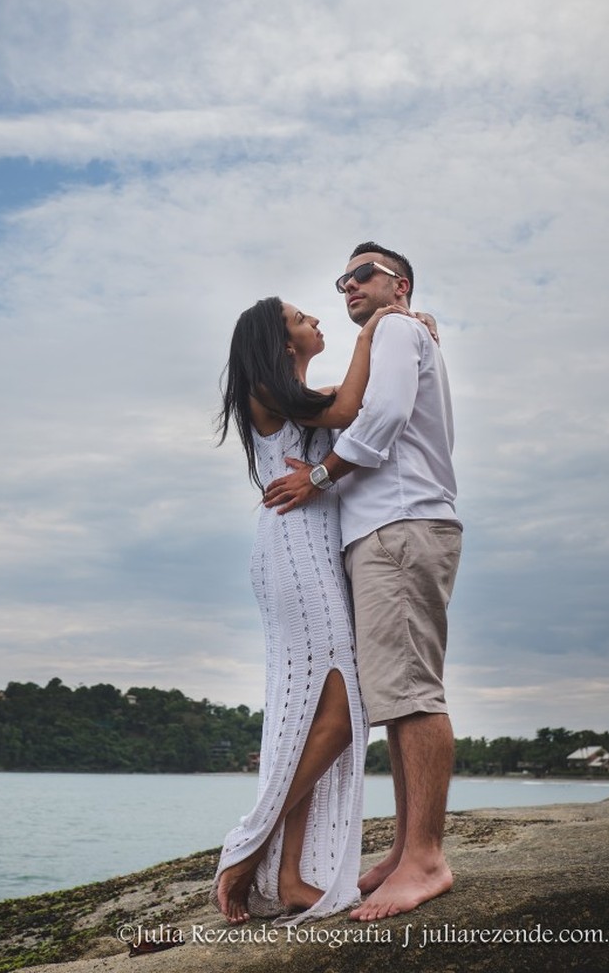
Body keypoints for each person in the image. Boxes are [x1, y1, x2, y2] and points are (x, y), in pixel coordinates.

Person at [264, 244, 462, 921]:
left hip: (400, 524)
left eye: (363, 274)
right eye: (341, 279)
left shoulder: (400, 330)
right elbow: (348, 405)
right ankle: (409, 847)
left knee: (410, 694)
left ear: (398, 285)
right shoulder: (391, 337)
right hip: (383, 532)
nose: (347, 285)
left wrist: (315, 478)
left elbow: (378, 422)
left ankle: (426, 859)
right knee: (394, 694)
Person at [212, 295, 409, 926]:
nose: (318, 321)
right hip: (295, 562)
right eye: (302, 319)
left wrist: (406, 330)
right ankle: (250, 849)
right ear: (280, 340)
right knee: (343, 715)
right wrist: (373, 328)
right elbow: (351, 406)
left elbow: (359, 401)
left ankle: (291, 876)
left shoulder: (296, 397)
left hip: (316, 560)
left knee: (323, 716)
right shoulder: (266, 393)